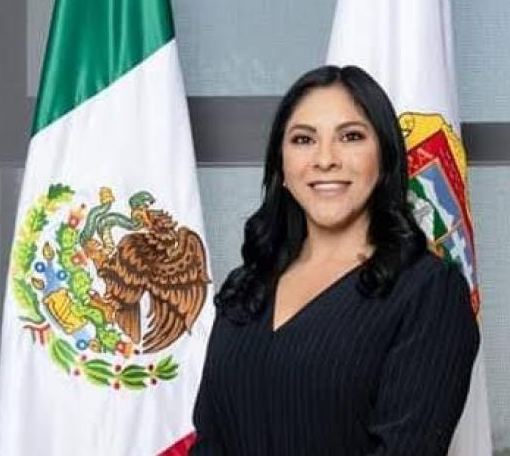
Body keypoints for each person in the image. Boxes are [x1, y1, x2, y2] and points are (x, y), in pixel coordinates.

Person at [190, 65, 479, 456]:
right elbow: (210, 442)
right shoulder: (247, 285)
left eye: (351, 136)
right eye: (304, 139)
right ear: (282, 166)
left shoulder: (429, 292)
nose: (325, 159)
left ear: (384, 158)